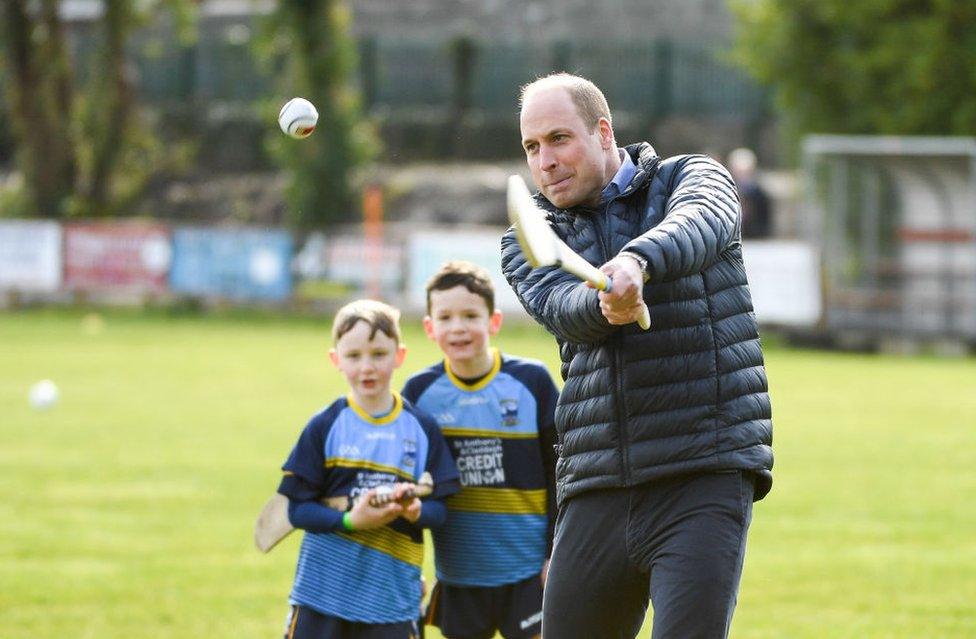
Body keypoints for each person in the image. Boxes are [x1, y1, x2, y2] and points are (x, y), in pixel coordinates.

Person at [501, 73, 774, 639]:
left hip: (701, 469)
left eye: (558, 139)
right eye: (532, 147)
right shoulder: (529, 236)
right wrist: (605, 307)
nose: (544, 160)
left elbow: (701, 222)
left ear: (603, 133)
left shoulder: (691, 177)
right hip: (595, 483)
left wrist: (637, 263)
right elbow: (563, 306)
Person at [275, 299, 461, 639]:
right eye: (354, 356)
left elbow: (440, 511)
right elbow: (299, 510)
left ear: (399, 356)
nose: (367, 367)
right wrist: (349, 521)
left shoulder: (421, 429)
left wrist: (416, 510)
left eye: (378, 354)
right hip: (322, 597)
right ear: (336, 360)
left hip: (392, 602)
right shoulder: (325, 426)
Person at [401, 260, 560, 639]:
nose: (458, 327)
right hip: (458, 575)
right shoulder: (418, 394)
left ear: (493, 321)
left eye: (470, 315)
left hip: (528, 573)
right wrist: (406, 568)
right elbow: (408, 487)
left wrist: (556, 553)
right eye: (446, 317)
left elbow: (562, 471)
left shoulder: (531, 381)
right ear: (429, 327)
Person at [727, 147, 772, 239]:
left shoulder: (760, 196)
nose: (742, 176)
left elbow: (764, 225)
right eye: (739, 172)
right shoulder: (724, 193)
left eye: (746, 172)